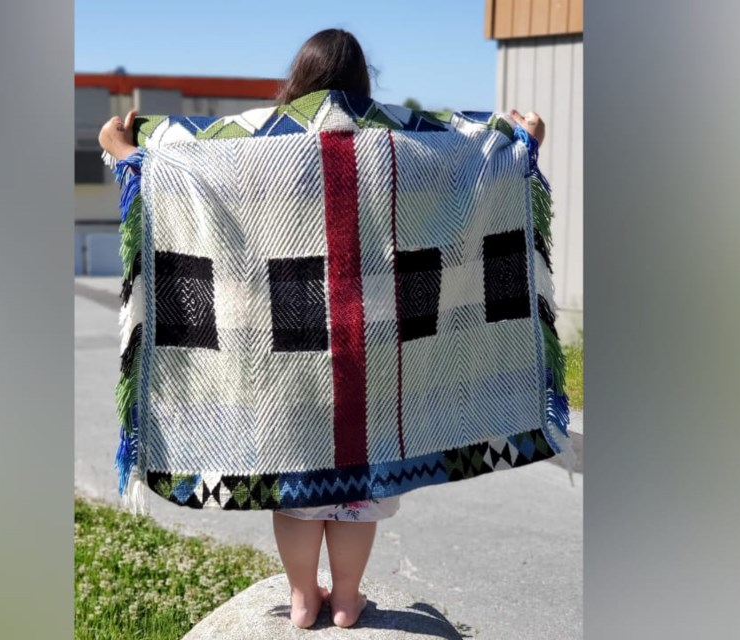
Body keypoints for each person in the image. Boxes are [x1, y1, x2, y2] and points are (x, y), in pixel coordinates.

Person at [98, 28, 547, 630]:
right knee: (358, 488)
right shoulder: (401, 146)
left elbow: (182, 179)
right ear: (364, 80)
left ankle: (304, 595)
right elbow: (472, 171)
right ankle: (347, 598)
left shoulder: (255, 152)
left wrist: (123, 151)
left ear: (297, 79)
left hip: (289, 359)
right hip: (377, 355)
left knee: (297, 485)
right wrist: (521, 142)